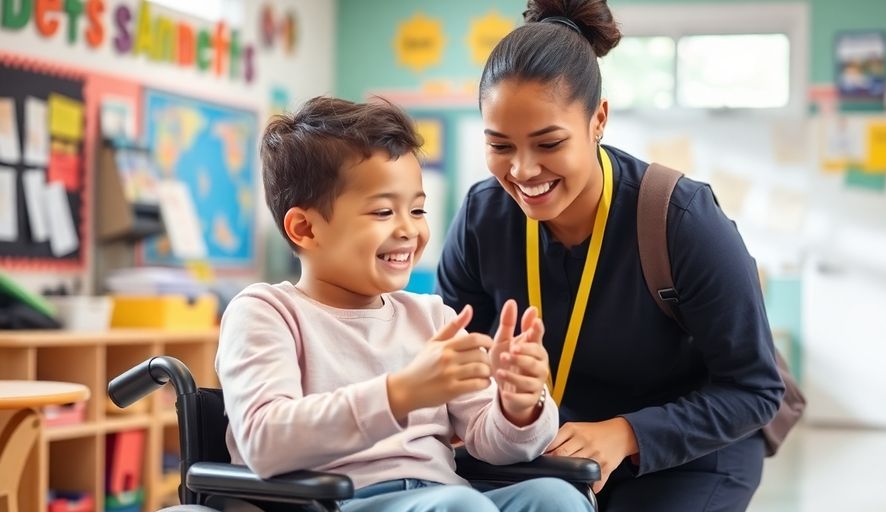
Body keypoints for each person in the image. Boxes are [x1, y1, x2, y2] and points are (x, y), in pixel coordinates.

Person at [436, 1, 785, 510]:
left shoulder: (682, 220)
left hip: (685, 454)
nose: (523, 171)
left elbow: (753, 389)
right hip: (545, 446)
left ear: (599, 119)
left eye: (548, 143)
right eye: (500, 146)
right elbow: (457, 352)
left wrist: (626, 434)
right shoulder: (481, 216)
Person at [216, 96, 592, 512]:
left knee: (557, 498)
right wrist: (399, 394)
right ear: (304, 228)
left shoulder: (432, 316)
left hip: (442, 495)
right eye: (382, 212)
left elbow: (493, 443)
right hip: (334, 502)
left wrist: (518, 407)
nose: (409, 229)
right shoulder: (267, 312)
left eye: (417, 209)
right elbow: (265, 441)